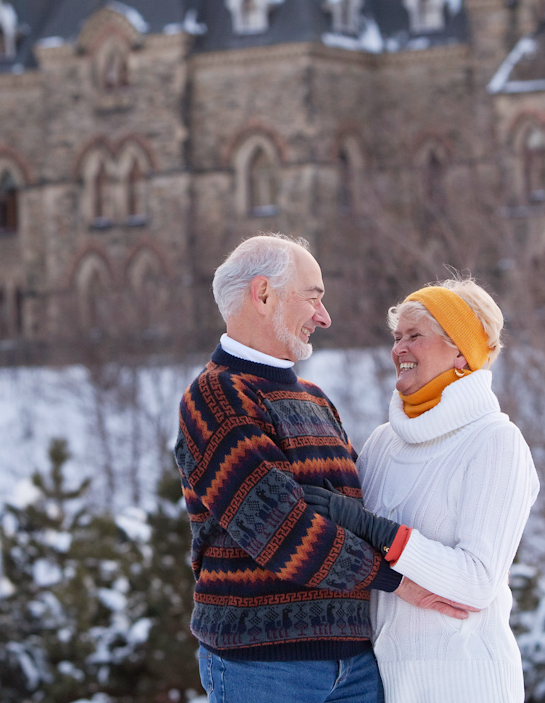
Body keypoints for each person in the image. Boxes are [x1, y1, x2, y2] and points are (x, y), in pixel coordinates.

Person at [174, 235, 464, 703]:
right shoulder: (217, 397)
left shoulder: (314, 399)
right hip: (265, 669)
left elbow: (358, 514)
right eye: (314, 297)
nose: (324, 317)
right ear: (263, 294)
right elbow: (281, 530)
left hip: (356, 662)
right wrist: (396, 580)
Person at [301, 278, 539, 703]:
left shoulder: (494, 442)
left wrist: (380, 532)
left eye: (415, 336)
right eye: (396, 338)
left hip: (467, 684)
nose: (398, 349)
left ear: (463, 355)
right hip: (385, 684)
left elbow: (478, 582)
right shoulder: (382, 443)